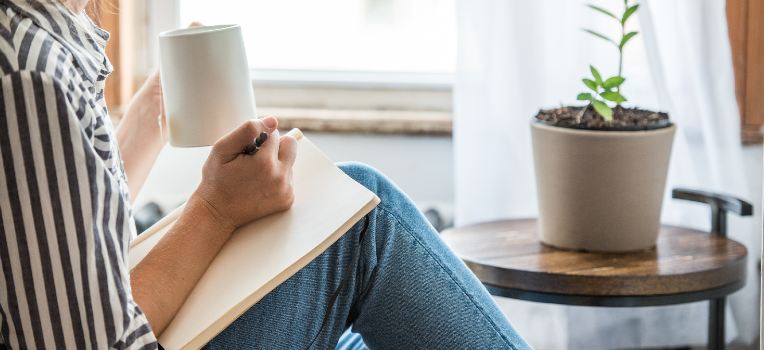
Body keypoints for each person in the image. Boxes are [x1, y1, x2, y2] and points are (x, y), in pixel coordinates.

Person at [0, 0, 532, 348]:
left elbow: (63, 242)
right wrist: (214, 208)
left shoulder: (39, 44)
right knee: (369, 214)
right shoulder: (29, 73)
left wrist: (150, 115)